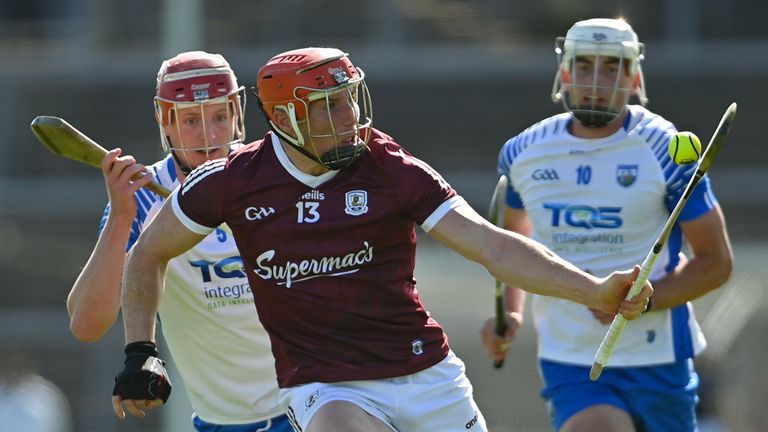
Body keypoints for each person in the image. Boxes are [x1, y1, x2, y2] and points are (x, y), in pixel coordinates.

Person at [112, 46, 652, 432]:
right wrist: (141, 350)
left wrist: (593, 289)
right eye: (328, 107)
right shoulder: (231, 182)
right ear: (283, 118)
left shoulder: (390, 168)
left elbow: (493, 245)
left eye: (349, 99)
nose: (348, 118)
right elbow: (147, 255)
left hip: (423, 371)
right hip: (325, 384)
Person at [479, 18, 733, 432]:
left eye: (612, 67)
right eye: (583, 66)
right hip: (570, 358)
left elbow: (716, 262)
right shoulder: (522, 153)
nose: (595, 81)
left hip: (659, 360)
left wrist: (647, 301)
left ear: (634, 76)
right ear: (564, 72)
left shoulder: (667, 150)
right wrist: (510, 312)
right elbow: (513, 243)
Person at [66, 51, 292, 432]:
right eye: (190, 120)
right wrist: (121, 218)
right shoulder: (140, 198)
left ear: (237, 113)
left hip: (310, 404)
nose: (209, 135)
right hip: (223, 422)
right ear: (165, 122)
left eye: (219, 116)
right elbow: (87, 324)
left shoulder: (277, 175)